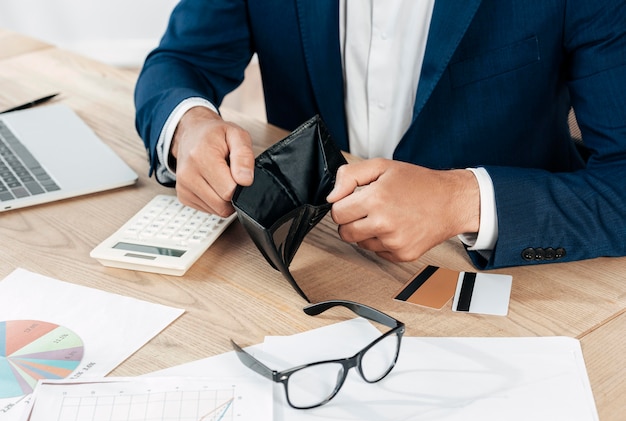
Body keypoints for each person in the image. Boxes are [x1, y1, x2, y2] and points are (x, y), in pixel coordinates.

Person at [134, 0, 626, 270]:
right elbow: (183, 59)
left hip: (521, 284)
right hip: (316, 266)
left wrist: (461, 200)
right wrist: (188, 126)